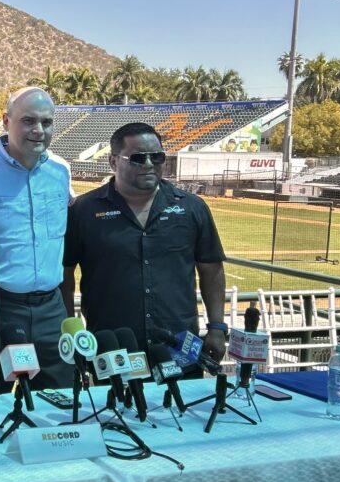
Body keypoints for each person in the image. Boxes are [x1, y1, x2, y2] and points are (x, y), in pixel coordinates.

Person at [61, 122, 228, 364]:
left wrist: (217, 327)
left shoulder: (192, 208)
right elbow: (64, 276)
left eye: (157, 157)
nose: (149, 164)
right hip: (113, 350)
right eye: (138, 158)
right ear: (113, 161)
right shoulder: (82, 211)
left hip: (180, 348)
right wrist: (72, 332)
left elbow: (211, 270)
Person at [0, 86, 75, 393]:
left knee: (61, 399)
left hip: (51, 309)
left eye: (46, 122)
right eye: (28, 120)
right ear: (6, 121)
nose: (38, 130)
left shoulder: (61, 171)